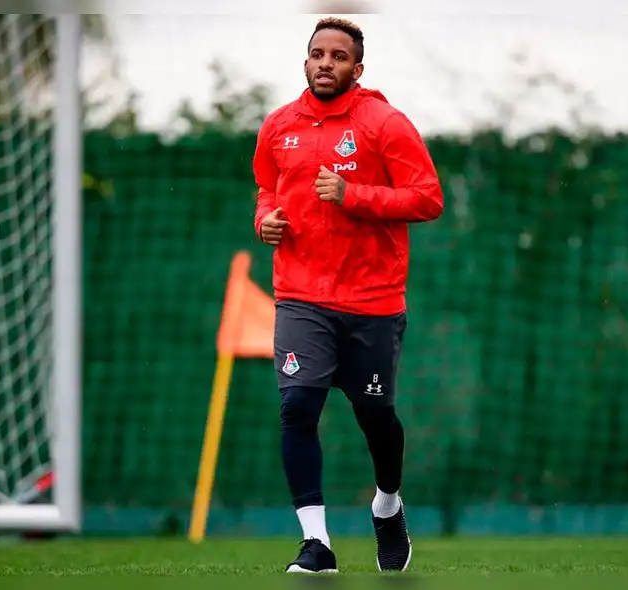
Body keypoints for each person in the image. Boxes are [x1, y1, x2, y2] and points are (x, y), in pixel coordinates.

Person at [251, 17, 444, 575]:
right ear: (305, 61)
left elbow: (427, 198)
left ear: (357, 69)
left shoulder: (385, 123)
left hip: (372, 302)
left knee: (374, 415)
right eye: (317, 54)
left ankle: (387, 505)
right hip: (300, 296)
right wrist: (266, 218)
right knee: (297, 406)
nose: (325, 63)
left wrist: (352, 194)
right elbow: (267, 187)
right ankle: (317, 544)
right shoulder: (278, 126)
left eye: (338, 57)